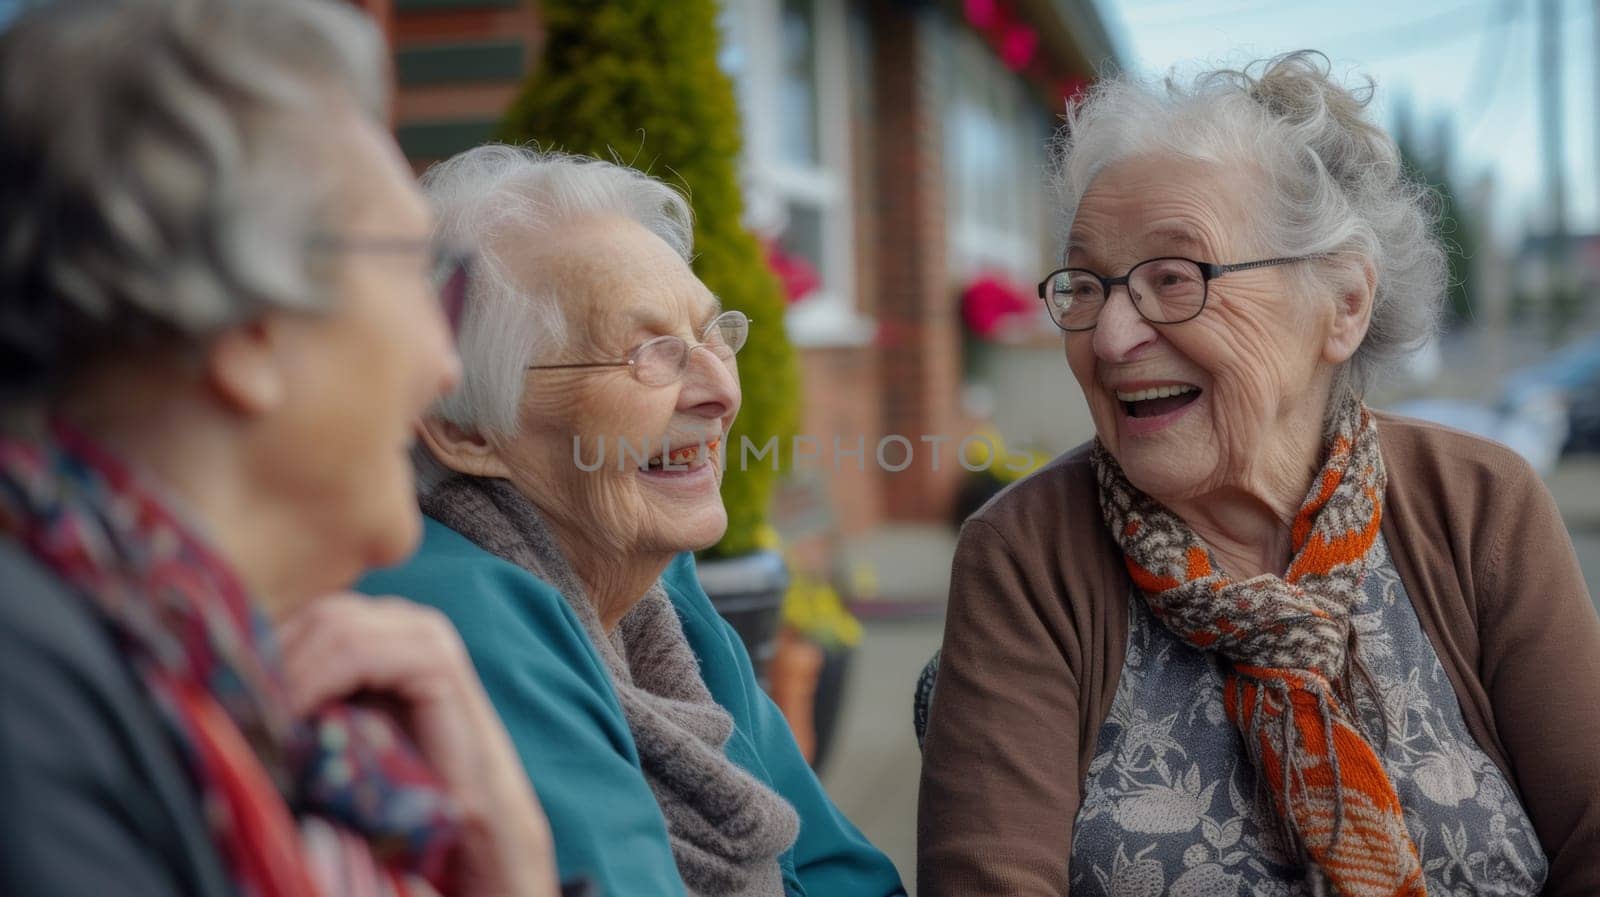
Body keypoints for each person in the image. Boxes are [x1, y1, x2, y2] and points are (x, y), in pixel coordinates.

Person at [916, 52, 1600, 896]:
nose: (1110, 336)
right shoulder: (1026, 557)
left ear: (1344, 304)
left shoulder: (1478, 505)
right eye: (1088, 285)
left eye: (1176, 278)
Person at [0, 2, 561, 895]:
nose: (443, 359)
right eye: (420, 274)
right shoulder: (32, 709)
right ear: (249, 327)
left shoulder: (229, 691)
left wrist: (513, 866)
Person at [357, 145, 906, 897]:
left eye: (714, 335)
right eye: (650, 352)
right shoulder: (458, 611)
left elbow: (845, 871)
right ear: (469, 430)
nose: (720, 391)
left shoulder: (649, 582)